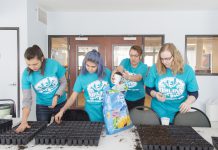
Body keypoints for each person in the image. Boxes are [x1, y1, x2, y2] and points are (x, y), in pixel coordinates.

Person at [16, 45, 67, 133]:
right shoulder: (26, 74)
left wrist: (56, 96)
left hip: (60, 103)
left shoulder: (54, 64)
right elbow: (27, 99)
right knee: (43, 132)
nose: (32, 67)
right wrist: (24, 121)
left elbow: (63, 83)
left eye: (35, 64)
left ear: (42, 59)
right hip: (42, 106)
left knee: (62, 131)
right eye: (29, 64)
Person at [146, 43, 199, 123]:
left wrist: (187, 102)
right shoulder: (155, 68)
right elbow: (148, 88)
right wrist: (155, 94)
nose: (164, 62)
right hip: (158, 111)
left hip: (179, 112)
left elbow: (194, 93)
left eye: (167, 59)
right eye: (162, 59)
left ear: (175, 56)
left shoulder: (187, 70)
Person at [55, 49, 111, 123]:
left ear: (99, 65)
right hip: (91, 115)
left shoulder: (107, 73)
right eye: (87, 65)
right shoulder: (81, 77)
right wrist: (62, 110)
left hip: (109, 113)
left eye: (93, 66)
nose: (90, 69)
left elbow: (116, 90)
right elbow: (72, 97)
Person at [111, 45, 148, 111]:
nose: (133, 58)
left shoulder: (144, 66)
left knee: (137, 119)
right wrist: (114, 74)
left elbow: (138, 78)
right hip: (125, 97)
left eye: (136, 56)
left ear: (140, 56)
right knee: (124, 119)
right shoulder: (125, 61)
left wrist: (128, 77)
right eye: (131, 55)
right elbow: (119, 69)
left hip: (138, 98)